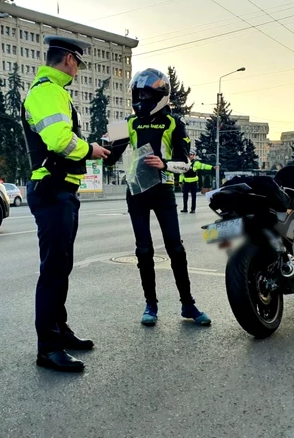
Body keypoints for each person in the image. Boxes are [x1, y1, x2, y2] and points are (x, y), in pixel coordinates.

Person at [21, 35, 110, 372]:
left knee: (61, 269)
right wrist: (91, 149)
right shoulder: (47, 90)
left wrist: (92, 148)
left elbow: (62, 138)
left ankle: (61, 331)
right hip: (52, 191)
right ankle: (48, 348)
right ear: (69, 60)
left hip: (63, 191)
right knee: (53, 272)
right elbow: (59, 141)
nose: (78, 71)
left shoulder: (54, 91)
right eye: (78, 64)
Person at [103, 68, 211, 327]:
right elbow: (110, 159)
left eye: (146, 94)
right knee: (144, 250)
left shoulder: (174, 122)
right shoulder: (128, 123)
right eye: (137, 94)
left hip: (163, 191)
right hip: (136, 192)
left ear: (161, 95)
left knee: (175, 247)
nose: (141, 99)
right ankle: (150, 304)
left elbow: (186, 164)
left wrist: (164, 163)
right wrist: (100, 147)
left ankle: (188, 304)